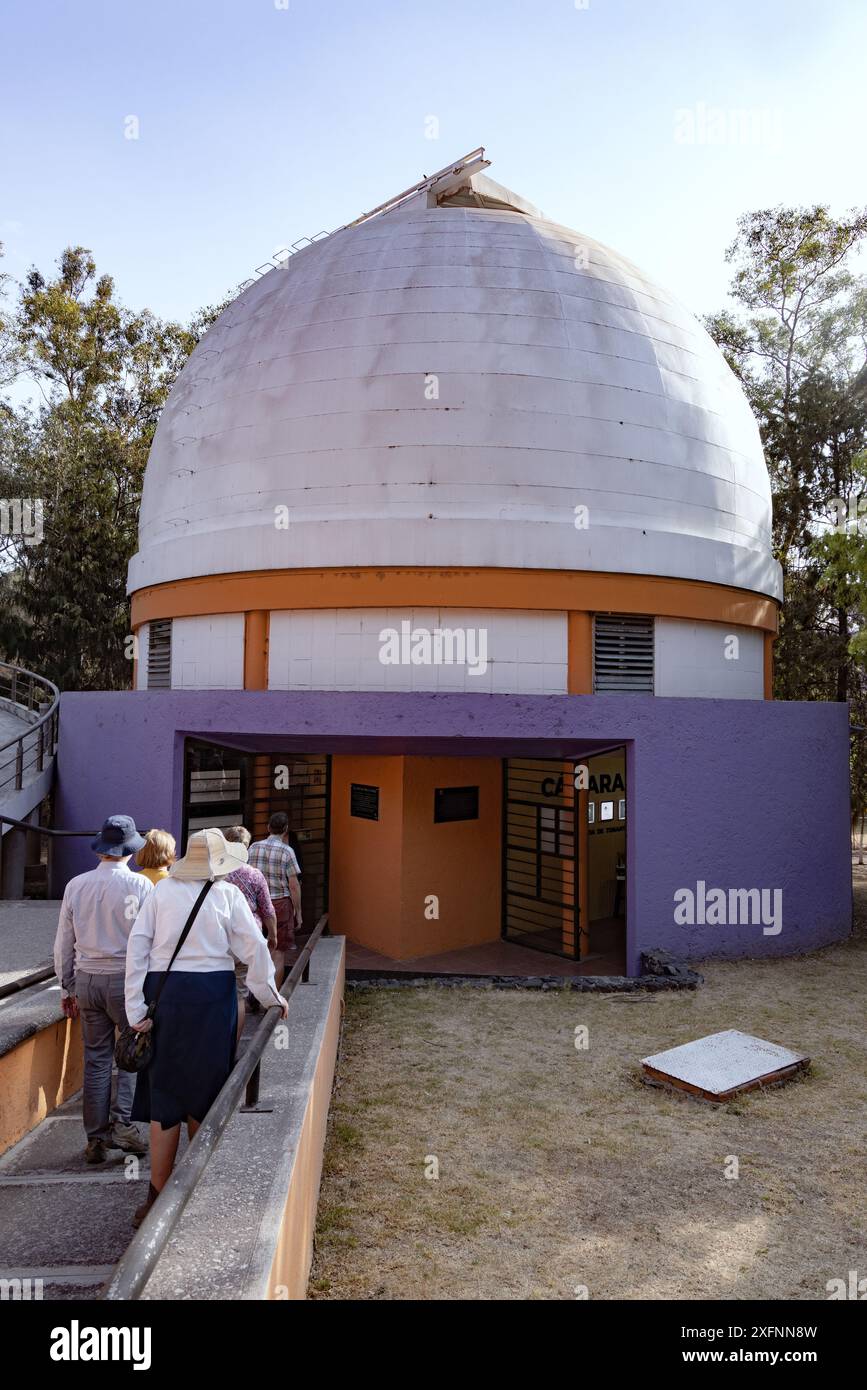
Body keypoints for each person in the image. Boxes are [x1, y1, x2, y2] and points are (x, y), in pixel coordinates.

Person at [125, 826, 288, 1228]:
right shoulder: (228, 895)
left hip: (164, 996)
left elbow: (137, 947)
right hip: (212, 997)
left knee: (164, 1092)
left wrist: (134, 1009)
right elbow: (255, 949)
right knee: (205, 1089)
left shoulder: (161, 891)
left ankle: (156, 1196)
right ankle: (195, 1192)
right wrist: (269, 996)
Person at [53, 814, 152, 1163]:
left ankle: (95, 1136)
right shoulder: (141, 887)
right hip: (125, 980)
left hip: (87, 978)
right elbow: (150, 940)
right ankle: (123, 1126)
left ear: (101, 850)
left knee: (95, 1059)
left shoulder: (76, 885)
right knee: (128, 1054)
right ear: (129, 851)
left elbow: (64, 941)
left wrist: (67, 986)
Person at [222, 825, 277, 1041]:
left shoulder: (218, 874)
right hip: (247, 939)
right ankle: (233, 1048)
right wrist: (272, 936)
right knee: (239, 996)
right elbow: (267, 909)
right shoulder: (254, 875)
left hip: (220, 937)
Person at [247, 812, 303, 986]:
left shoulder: (253, 847)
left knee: (256, 950)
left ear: (268, 828)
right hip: (280, 904)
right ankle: (274, 998)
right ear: (285, 830)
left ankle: (254, 995)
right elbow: (294, 885)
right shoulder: (287, 851)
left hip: (256, 904)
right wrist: (298, 912)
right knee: (278, 953)